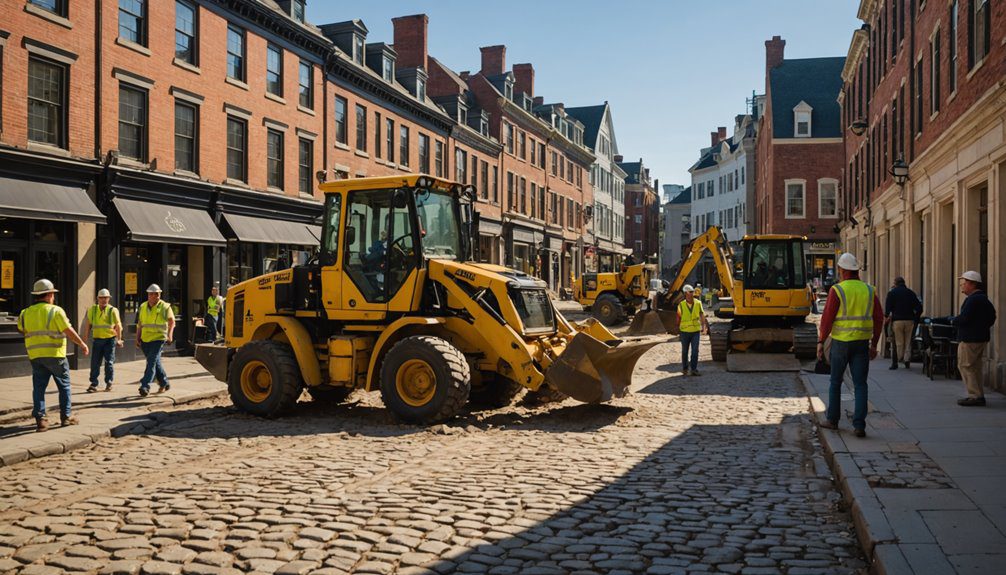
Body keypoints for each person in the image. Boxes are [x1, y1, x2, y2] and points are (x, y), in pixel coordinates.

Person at [817, 253, 883, 438]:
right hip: (861, 344)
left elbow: (827, 318)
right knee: (860, 384)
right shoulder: (870, 290)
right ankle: (859, 425)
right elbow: (879, 319)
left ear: (843, 270)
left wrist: (821, 341)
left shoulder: (837, 290)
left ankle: (832, 420)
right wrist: (874, 344)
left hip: (840, 343)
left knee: (835, 382)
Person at [17, 279, 89, 432]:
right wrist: (82, 344)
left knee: (38, 388)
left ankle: (41, 420)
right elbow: (69, 331)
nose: (54, 297)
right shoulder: (56, 311)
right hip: (56, 355)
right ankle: (66, 417)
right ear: (49, 294)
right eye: (53, 294)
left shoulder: (25, 313)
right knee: (64, 386)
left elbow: (21, 329)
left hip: (35, 356)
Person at [951, 271, 997, 406]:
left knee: (965, 365)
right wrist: (981, 327)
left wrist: (954, 321)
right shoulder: (983, 299)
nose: (962, 286)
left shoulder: (973, 299)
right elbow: (992, 317)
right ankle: (978, 394)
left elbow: (965, 318)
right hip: (980, 337)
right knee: (975, 367)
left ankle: (974, 396)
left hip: (970, 339)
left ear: (972, 284)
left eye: (964, 284)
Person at [81, 288, 124, 392]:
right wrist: (84, 340)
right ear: (98, 299)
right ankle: (93, 384)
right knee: (95, 362)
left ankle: (109, 382)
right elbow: (88, 325)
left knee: (109, 362)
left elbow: (118, 326)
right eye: (102, 298)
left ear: (109, 299)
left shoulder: (113, 310)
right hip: (97, 340)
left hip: (110, 340)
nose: (104, 300)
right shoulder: (92, 310)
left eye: (106, 298)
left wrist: (119, 339)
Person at [136, 284, 175, 397]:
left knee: (151, 362)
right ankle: (163, 382)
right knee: (155, 362)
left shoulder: (165, 306)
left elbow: (172, 322)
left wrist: (170, 335)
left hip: (159, 338)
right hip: (146, 339)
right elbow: (140, 324)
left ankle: (145, 385)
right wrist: (137, 338)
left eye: (157, 294)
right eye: (152, 294)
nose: (154, 296)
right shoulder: (143, 306)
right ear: (148, 295)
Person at [884, 276, 922, 370]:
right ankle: (906, 360)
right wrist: (916, 318)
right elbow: (919, 308)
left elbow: (887, 310)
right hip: (910, 320)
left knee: (897, 341)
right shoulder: (911, 293)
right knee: (908, 342)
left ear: (895, 283)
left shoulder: (892, 293)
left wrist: (887, 317)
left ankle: (896, 362)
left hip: (897, 321)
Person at [677, 284, 709, 376]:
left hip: (695, 331)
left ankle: (694, 369)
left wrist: (704, 328)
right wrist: (677, 329)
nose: (691, 294)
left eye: (692, 292)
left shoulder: (698, 303)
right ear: (685, 294)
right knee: (684, 351)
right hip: (684, 332)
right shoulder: (681, 305)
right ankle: (685, 368)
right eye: (690, 292)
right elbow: (678, 318)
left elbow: (702, 315)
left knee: (695, 351)